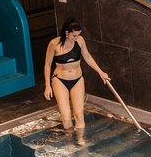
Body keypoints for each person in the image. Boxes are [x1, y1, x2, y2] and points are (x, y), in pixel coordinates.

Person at [43, 17, 110, 145]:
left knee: (79, 115)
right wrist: (47, 85)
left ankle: (80, 141)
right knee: (66, 117)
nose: (76, 38)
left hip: (77, 80)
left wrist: (100, 72)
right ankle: (69, 142)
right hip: (60, 80)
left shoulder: (80, 41)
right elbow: (47, 65)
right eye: (74, 35)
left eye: (78, 35)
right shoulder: (54, 44)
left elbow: (88, 57)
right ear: (66, 33)